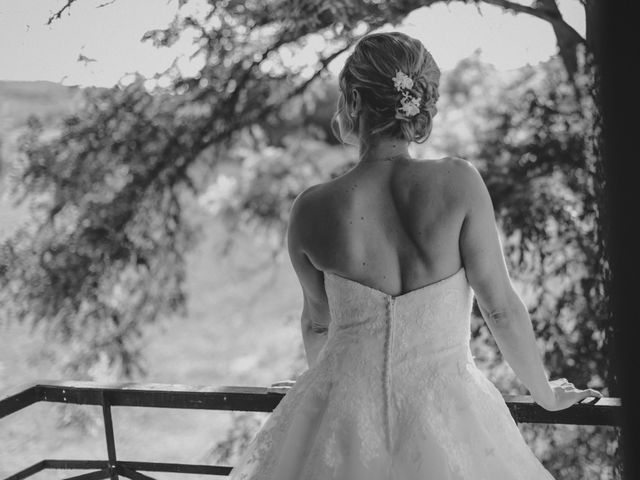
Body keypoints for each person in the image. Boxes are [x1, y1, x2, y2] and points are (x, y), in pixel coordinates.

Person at [227, 31, 603, 480]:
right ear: (417, 101)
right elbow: (499, 308)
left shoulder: (311, 208)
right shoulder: (459, 183)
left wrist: (320, 388)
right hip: (447, 407)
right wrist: (543, 393)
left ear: (352, 100)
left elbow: (317, 323)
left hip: (343, 411)